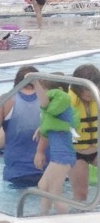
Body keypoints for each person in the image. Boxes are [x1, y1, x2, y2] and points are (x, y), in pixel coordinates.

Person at [0, 65, 42, 188]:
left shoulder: (7, 99)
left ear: (16, 83)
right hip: (48, 169)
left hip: (17, 172)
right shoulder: (48, 99)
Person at [34, 78, 78, 215]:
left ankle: (67, 222)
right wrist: (40, 128)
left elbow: (45, 104)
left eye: (44, 92)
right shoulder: (59, 109)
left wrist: (35, 83)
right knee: (43, 185)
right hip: (60, 155)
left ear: (57, 92)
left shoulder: (62, 102)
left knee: (55, 192)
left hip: (63, 156)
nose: (42, 96)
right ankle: (44, 214)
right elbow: (50, 121)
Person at [69, 63, 100, 203]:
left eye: (92, 88)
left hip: (96, 151)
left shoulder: (97, 99)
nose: (89, 92)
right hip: (77, 154)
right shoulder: (68, 102)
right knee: (81, 195)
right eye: (85, 89)